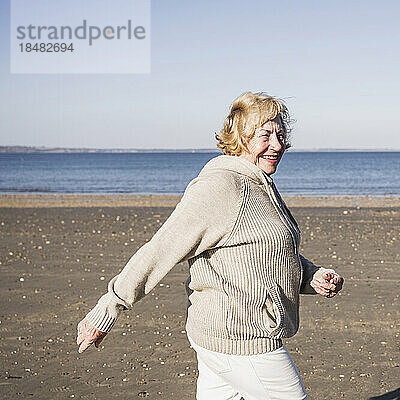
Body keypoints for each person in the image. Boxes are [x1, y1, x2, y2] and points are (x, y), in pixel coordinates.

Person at [76, 92, 344, 400]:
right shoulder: (221, 188)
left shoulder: (259, 184)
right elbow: (159, 250)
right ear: (241, 137)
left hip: (222, 339)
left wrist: (310, 276)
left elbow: (265, 252)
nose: (277, 145)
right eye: (266, 135)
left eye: (281, 135)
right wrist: (107, 309)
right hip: (243, 341)